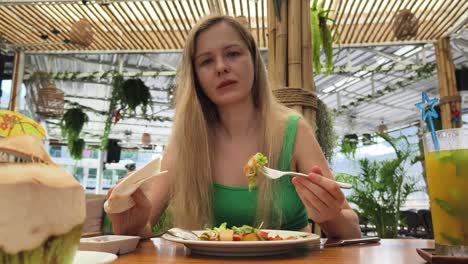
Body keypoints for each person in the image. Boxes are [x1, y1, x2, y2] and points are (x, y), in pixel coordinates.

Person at [108, 15, 361, 239]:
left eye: (233, 53)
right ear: (195, 77)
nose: (221, 67)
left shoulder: (293, 130)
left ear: (253, 60)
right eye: (206, 61)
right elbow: (143, 226)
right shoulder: (186, 142)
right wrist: (131, 224)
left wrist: (330, 215)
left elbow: (351, 230)